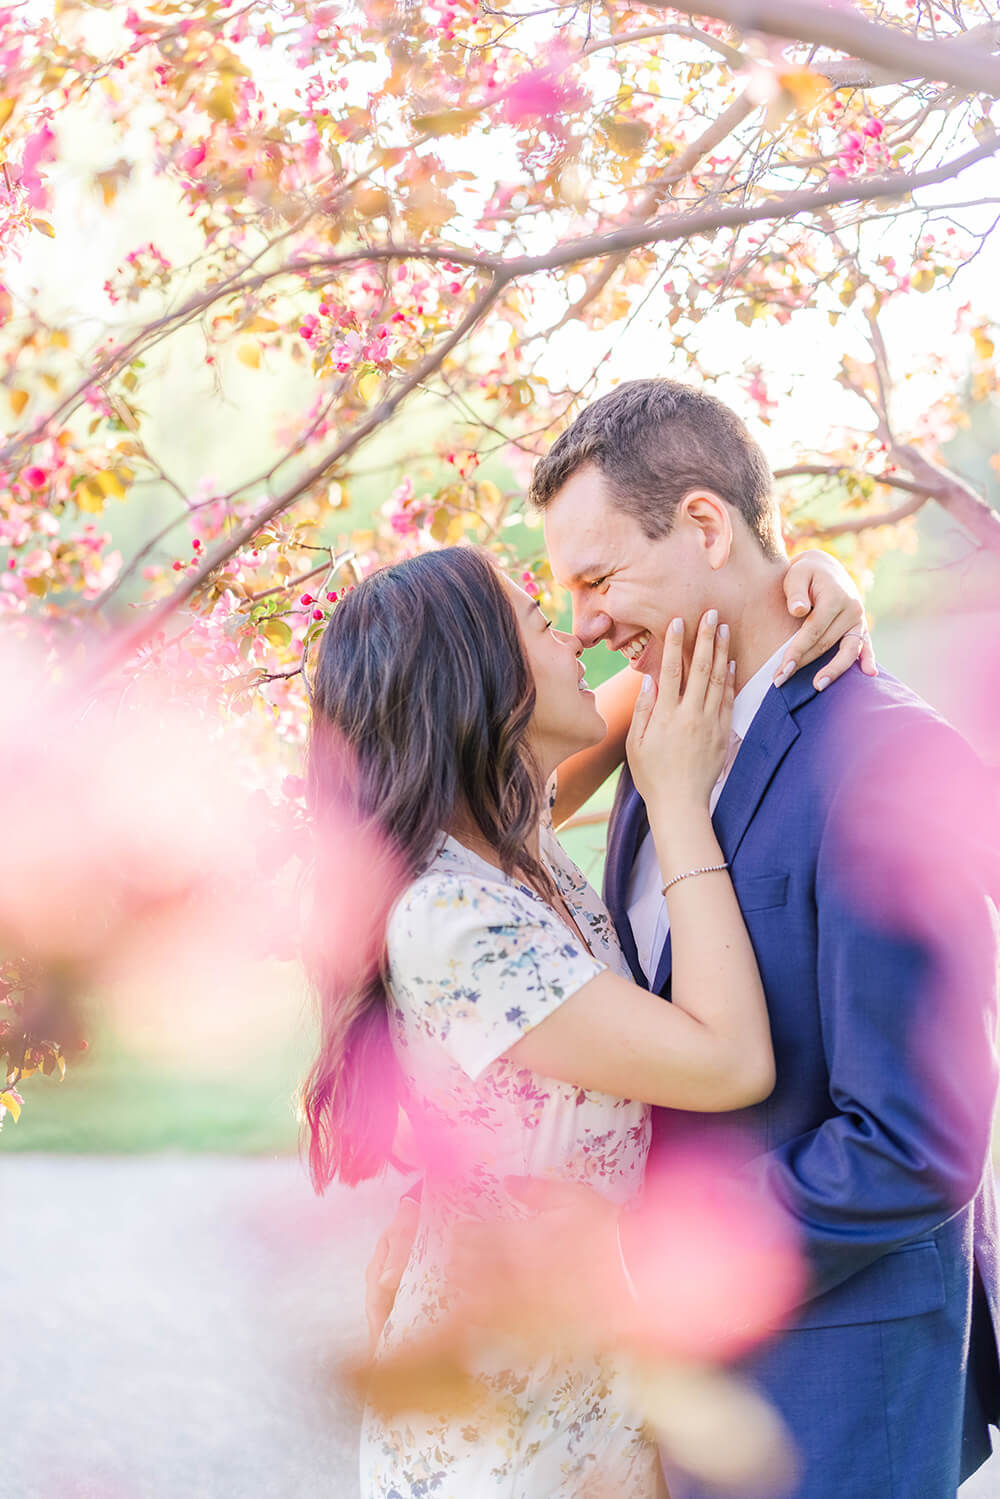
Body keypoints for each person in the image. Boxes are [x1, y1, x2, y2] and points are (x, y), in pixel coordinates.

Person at [304, 542, 867, 1499]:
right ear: (482, 682)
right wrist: (679, 802)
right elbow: (729, 1061)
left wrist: (816, 577)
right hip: (507, 1425)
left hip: (578, 1380)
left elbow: (689, 660)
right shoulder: (452, 919)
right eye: (539, 618)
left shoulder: (506, 833)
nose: (578, 635)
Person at [525, 380, 1000, 1499]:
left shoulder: (888, 761)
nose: (586, 623)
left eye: (598, 578)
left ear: (702, 523)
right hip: (692, 1394)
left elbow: (915, 1140)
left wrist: (657, 1259)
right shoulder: (665, 724)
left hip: (837, 1389)